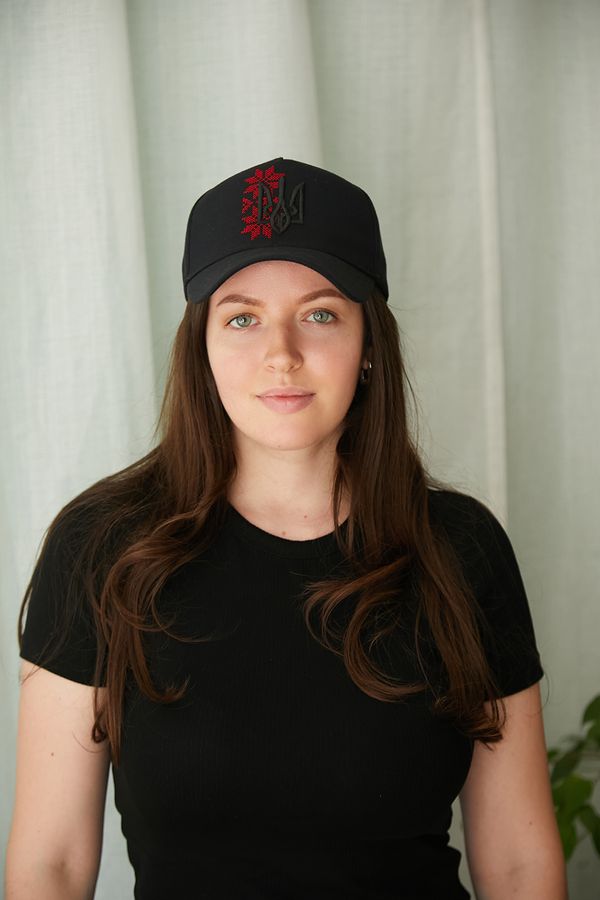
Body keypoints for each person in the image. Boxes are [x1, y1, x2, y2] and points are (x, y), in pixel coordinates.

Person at [6, 157, 567, 900]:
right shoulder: (102, 546)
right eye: (241, 316)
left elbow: (522, 866)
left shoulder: (459, 550)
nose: (282, 354)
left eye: (320, 313)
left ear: (369, 346)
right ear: (201, 348)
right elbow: (51, 864)